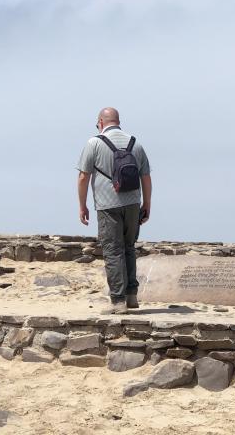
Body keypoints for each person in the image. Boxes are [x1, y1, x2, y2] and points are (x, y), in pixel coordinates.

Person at [77, 107, 152, 314]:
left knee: (112, 250)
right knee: (129, 247)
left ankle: (118, 301)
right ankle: (132, 296)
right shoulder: (135, 143)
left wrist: (82, 205)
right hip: (132, 203)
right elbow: (146, 177)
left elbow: (84, 177)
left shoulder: (94, 143)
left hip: (107, 204)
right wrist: (146, 204)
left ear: (100, 122)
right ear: (118, 121)